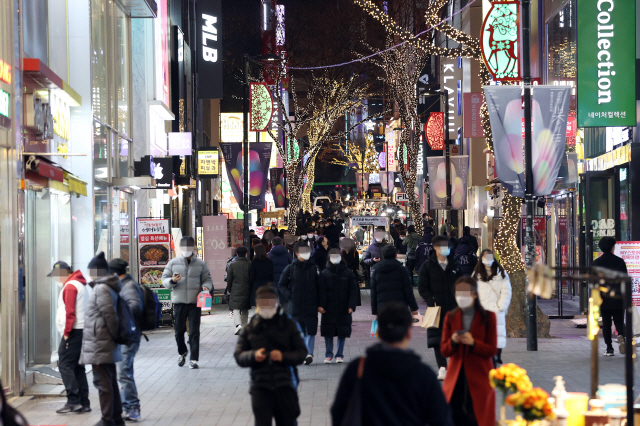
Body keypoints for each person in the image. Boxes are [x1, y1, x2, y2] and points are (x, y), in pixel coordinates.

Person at [331, 302, 454, 426]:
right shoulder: (424, 374)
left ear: (379, 331)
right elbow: (441, 418)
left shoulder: (358, 369)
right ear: (409, 333)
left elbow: (339, 411)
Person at [234, 285, 307, 426]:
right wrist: (253, 355)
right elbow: (239, 355)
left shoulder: (289, 325)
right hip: (260, 387)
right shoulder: (250, 328)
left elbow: (302, 352)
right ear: (257, 304)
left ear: (277, 302)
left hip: (285, 385)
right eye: (263, 302)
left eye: (270, 301)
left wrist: (283, 356)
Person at [441, 277, 497, 426]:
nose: (461, 297)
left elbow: (492, 349)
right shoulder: (451, 316)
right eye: (458, 293)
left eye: (465, 293)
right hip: (456, 375)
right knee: (455, 414)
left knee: (478, 416)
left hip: (480, 374)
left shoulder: (488, 316)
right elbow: (444, 350)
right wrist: (453, 341)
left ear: (474, 294)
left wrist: (473, 343)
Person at [80, 252, 124, 426]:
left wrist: (113, 337)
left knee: (103, 383)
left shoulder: (101, 288)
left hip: (101, 344)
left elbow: (110, 316)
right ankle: (116, 417)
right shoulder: (106, 287)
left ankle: (107, 419)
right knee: (110, 381)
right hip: (103, 343)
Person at [162, 236, 213, 369]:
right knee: (179, 331)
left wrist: (206, 286)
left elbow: (207, 279)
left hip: (195, 302)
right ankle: (182, 352)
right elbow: (164, 279)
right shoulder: (172, 263)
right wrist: (172, 281)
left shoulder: (201, 264)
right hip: (179, 302)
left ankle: (194, 359)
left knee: (194, 331)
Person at [49, 261, 91, 414]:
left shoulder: (71, 286)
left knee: (65, 364)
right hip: (80, 330)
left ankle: (73, 401)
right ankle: (84, 402)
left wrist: (66, 333)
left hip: (73, 331)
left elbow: (70, 312)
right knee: (78, 367)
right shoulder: (78, 284)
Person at [418, 235, 459, 380]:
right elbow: (422, 287)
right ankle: (442, 367)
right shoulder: (428, 266)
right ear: (435, 247)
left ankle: (454, 366)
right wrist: (430, 299)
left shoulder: (455, 264)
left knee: (455, 337)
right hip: (436, 308)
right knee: (437, 339)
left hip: (454, 308)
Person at [107, 258, 143, 422]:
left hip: (129, 336)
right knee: (123, 372)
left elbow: (135, 306)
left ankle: (132, 407)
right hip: (125, 335)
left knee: (125, 372)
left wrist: (118, 313)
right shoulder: (124, 285)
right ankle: (126, 405)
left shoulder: (128, 286)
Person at [278, 242, 321, 365]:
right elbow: (282, 285)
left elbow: (321, 287)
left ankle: (309, 353)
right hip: (296, 304)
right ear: (296, 254)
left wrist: (321, 303)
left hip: (311, 303)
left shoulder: (314, 268)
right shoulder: (290, 268)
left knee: (311, 329)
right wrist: (290, 296)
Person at [472, 250, 512, 366]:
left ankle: (497, 356)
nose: (487, 259)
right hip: (481, 309)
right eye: (484, 257)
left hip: (496, 309)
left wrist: (501, 306)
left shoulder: (501, 274)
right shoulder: (476, 274)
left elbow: (506, 292)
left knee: (498, 334)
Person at [318, 249, 359, 363]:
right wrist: (321, 305)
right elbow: (321, 291)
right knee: (328, 331)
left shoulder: (348, 273)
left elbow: (353, 291)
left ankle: (339, 354)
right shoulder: (324, 273)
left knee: (342, 331)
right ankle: (328, 354)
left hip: (343, 307)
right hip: (328, 307)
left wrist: (351, 305)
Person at [592, 236, 628, 356]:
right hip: (618, 296)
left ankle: (609, 349)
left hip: (603, 298)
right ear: (613, 247)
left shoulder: (596, 263)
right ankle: (621, 336)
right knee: (619, 321)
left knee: (606, 323)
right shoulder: (619, 261)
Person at [370, 244, 419, 316]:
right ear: (396, 255)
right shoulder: (401, 269)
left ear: (383, 256)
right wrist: (413, 308)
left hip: (382, 308)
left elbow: (373, 292)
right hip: (400, 307)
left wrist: (374, 310)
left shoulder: (377, 270)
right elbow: (408, 290)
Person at [227, 246, 252, 335]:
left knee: (236, 309)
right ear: (246, 254)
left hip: (235, 289)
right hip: (247, 289)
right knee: (245, 309)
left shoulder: (232, 265)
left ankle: (238, 325)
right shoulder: (250, 264)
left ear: (237, 254)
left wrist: (229, 289)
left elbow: (229, 279)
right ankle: (245, 326)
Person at [224, 248, 238, 319]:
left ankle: (233, 311)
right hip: (237, 282)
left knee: (228, 296)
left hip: (233, 282)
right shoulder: (233, 260)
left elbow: (228, 273)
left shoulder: (231, 261)